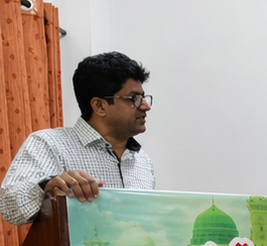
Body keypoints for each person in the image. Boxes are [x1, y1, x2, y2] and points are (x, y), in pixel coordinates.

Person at [0, 51, 154, 225]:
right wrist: (46, 187)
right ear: (99, 106)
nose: (145, 106)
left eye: (143, 97)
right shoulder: (49, 144)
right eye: (134, 98)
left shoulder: (142, 160)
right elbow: (10, 209)